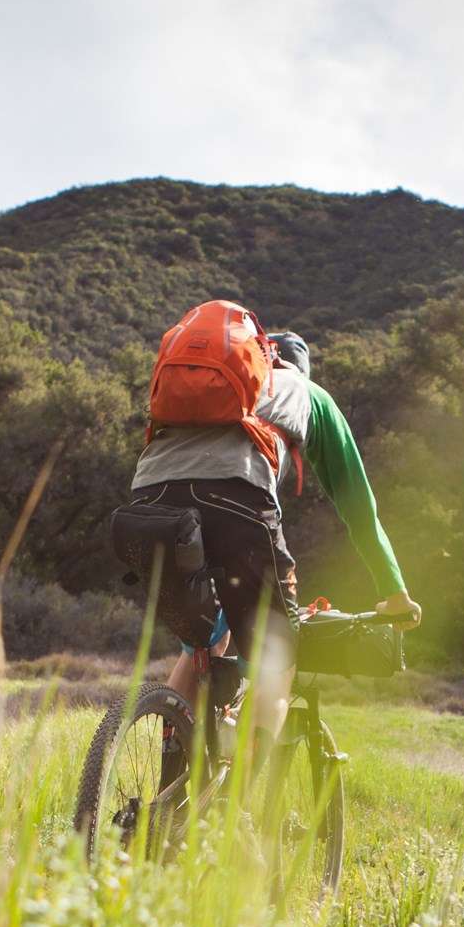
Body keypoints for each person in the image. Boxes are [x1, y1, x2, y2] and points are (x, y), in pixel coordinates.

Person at [126, 325, 420, 772]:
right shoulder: (310, 394)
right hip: (236, 501)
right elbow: (360, 509)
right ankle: (240, 802)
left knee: (201, 644)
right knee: (275, 657)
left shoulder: (216, 393)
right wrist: (395, 591)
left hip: (147, 502)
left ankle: (169, 778)